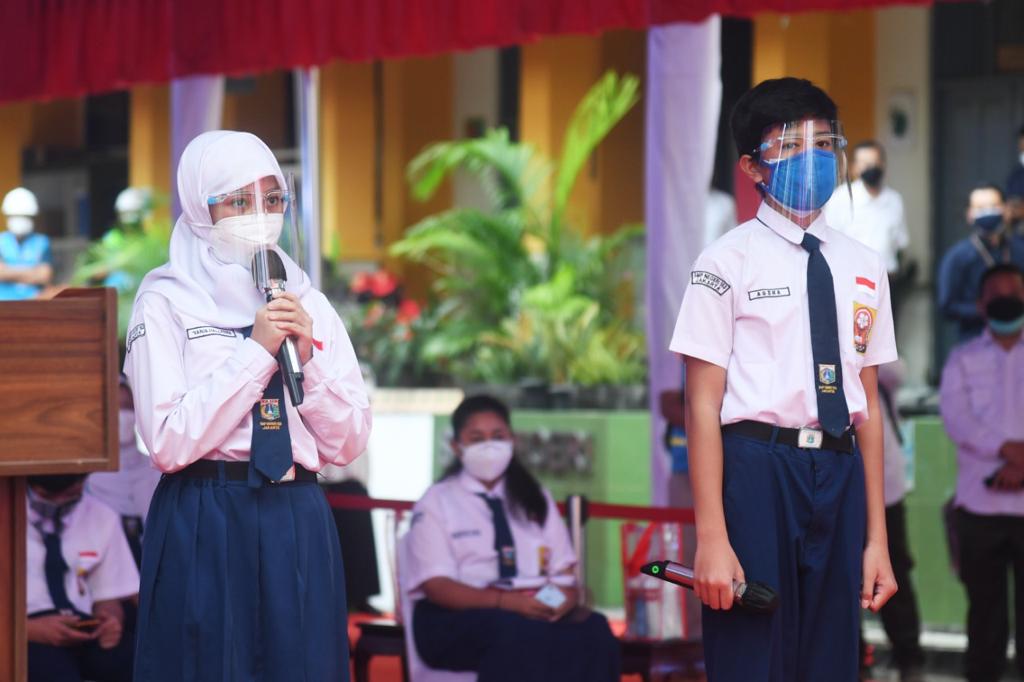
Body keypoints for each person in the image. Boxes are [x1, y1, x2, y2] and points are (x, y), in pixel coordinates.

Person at [671, 77, 898, 682]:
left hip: (840, 472)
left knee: (830, 661)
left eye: (824, 141)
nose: (814, 157)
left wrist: (877, 538)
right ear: (752, 167)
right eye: (791, 145)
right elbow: (701, 408)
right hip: (756, 470)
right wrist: (711, 537)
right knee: (752, 655)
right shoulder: (723, 263)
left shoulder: (865, 266)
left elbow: (867, 408)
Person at [124, 130, 372, 681]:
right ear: (198, 205)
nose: (259, 215)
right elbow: (167, 441)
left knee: (303, 665)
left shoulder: (307, 300)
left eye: (272, 198)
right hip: (205, 510)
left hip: (296, 511)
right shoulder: (164, 299)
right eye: (238, 200)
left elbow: (348, 442)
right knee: (205, 664)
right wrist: (255, 353)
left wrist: (307, 361)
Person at [401, 394, 620, 682]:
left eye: (497, 436)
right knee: (518, 634)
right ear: (456, 446)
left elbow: (563, 573)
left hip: (529, 609)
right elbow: (437, 586)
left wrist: (559, 601)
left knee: (594, 629)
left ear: (512, 440)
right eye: (477, 438)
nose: (489, 446)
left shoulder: (534, 499)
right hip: (455, 618)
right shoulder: (437, 502)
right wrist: (505, 602)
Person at [939, 263, 1024, 682]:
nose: (1008, 298)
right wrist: (1008, 450)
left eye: (1015, 291)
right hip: (979, 507)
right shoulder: (962, 358)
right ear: (980, 304)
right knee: (986, 623)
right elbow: (957, 419)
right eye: (998, 293)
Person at [26, 474, 139, 682]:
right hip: (23, 629)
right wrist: (30, 630)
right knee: (52, 670)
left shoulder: (101, 515)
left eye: (69, 495)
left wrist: (111, 620)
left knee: (136, 661)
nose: (59, 502)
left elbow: (108, 596)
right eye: (48, 495)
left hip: (83, 625)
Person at [871, 360, 925, 682]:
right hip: (832, 489)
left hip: (886, 489)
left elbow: (897, 371)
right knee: (836, 579)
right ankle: (853, 662)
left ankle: (910, 660)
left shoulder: (876, 362)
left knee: (895, 572)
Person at [85, 376, 162, 567]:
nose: (122, 415)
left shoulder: (157, 469)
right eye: (115, 408)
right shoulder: (89, 477)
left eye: (127, 406)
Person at [937, 184, 1024, 341]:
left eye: (993, 206)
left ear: (1005, 209)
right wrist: (984, 310)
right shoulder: (957, 257)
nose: (988, 212)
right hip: (975, 343)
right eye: (981, 208)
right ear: (969, 214)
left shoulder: (1019, 251)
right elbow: (947, 306)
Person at [825, 140, 910, 276]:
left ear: (883, 165)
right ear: (854, 168)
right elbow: (828, 243)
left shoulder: (895, 200)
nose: (871, 168)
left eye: (875, 163)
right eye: (865, 164)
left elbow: (900, 243)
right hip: (851, 278)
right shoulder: (840, 199)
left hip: (888, 278)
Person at [0, 186, 53, 300]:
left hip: (33, 304)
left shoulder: (41, 242)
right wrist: (32, 273)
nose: (19, 221)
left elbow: (44, 276)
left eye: (24, 217)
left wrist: (8, 272)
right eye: (15, 216)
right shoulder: (1, 241)